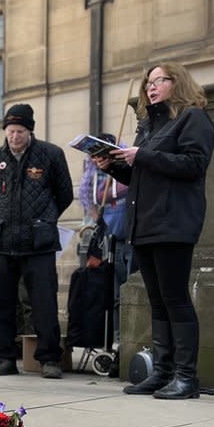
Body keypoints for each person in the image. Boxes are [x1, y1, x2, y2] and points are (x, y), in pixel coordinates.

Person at [96, 63, 214, 399]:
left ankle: (186, 378)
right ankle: (162, 373)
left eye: (157, 81)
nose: (150, 87)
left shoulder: (193, 118)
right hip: (144, 223)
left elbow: (195, 164)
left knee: (176, 299)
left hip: (173, 223)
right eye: (148, 82)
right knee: (157, 301)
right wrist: (115, 167)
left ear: (175, 82)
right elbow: (142, 175)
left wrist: (143, 156)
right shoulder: (148, 126)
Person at [0, 103, 73, 378]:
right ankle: (4, 358)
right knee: (1, 302)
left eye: (20, 131)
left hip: (39, 242)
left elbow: (65, 193)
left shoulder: (51, 155)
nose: (14, 136)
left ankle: (49, 359)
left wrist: (46, 218)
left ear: (29, 131)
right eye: (10, 131)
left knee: (44, 302)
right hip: (1, 242)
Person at [80, 133, 135, 344]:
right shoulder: (94, 176)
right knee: (116, 295)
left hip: (130, 236)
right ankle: (118, 340)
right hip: (111, 240)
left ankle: (130, 340)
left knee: (131, 290)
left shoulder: (123, 167)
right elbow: (92, 202)